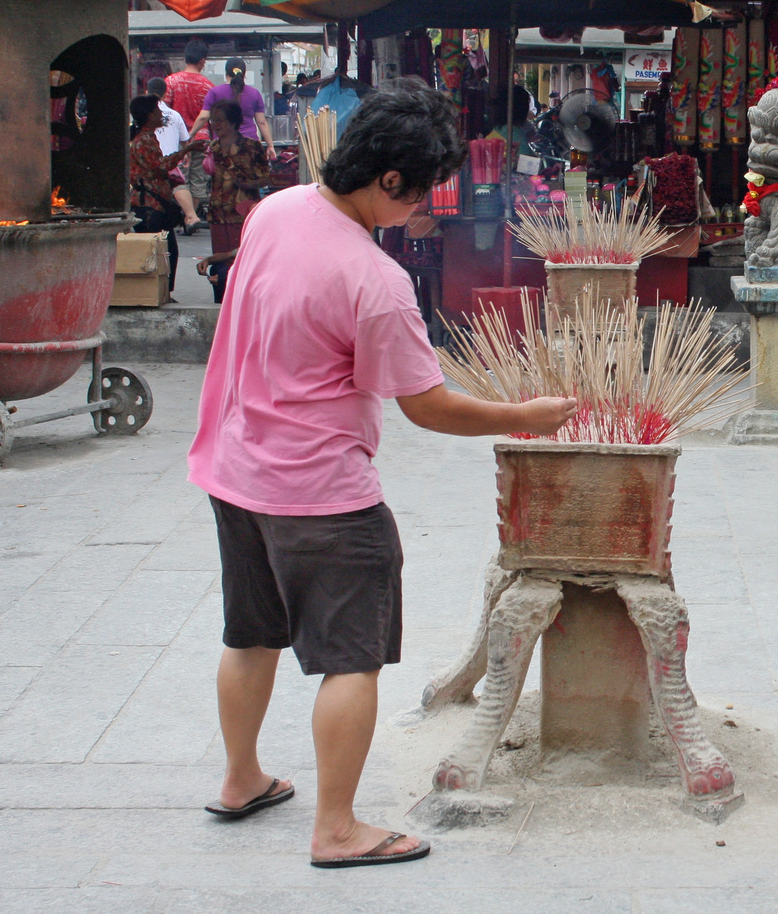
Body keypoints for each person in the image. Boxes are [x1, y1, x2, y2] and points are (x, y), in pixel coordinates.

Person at [187, 80, 579, 869]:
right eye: (422, 191)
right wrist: (522, 413)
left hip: (237, 469)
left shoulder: (278, 209)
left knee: (250, 632)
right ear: (390, 181)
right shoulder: (375, 281)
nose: (424, 207)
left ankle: (241, 779)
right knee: (350, 659)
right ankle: (337, 829)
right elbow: (427, 407)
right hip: (322, 493)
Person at [204, 99, 270, 301]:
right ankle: (220, 301)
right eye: (214, 121)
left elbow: (266, 177)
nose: (216, 125)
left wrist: (250, 184)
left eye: (221, 120)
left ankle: (243, 300)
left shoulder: (251, 147)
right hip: (218, 211)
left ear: (233, 122)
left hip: (242, 211)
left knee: (241, 258)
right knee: (219, 260)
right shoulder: (212, 148)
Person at [127, 95, 192, 294]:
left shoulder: (147, 137)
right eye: (156, 110)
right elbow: (161, 165)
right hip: (150, 206)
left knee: (165, 251)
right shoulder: (144, 140)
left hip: (154, 204)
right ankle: (158, 293)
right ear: (148, 115)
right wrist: (185, 150)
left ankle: (162, 293)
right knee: (162, 252)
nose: (160, 113)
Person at [147, 77, 203, 233]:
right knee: (177, 183)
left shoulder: (143, 113)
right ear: (165, 95)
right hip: (170, 159)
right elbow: (185, 140)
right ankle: (191, 216)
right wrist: (186, 155)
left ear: (146, 92)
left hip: (149, 161)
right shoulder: (174, 115)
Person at [165, 41, 214, 219]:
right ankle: (190, 217)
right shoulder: (208, 86)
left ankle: (184, 215)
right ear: (202, 60)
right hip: (201, 139)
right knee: (198, 179)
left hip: (177, 140)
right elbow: (210, 116)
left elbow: (164, 111)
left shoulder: (171, 82)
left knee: (179, 177)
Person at [190, 59, 276, 160]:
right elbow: (261, 122)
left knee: (224, 174)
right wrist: (270, 146)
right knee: (248, 174)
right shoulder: (254, 93)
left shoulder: (215, 92)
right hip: (249, 144)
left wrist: (191, 135)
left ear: (226, 72)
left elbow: (203, 117)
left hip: (222, 146)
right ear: (244, 73)